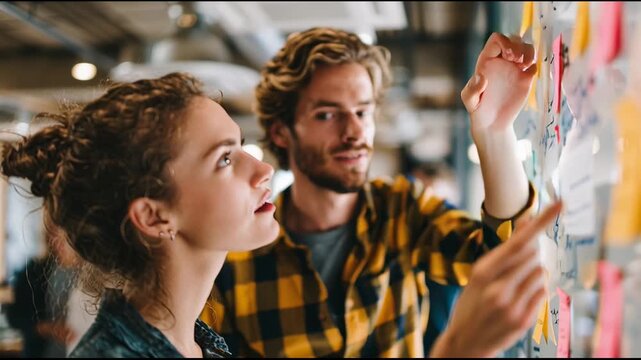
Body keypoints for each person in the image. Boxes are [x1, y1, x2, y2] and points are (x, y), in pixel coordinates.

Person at [201, 27, 560, 358]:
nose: (354, 131)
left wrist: (494, 131)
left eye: (363, 111)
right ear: (281, 132)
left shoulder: (402, 209)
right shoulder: (236, 255)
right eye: (328, 115)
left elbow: (500, 258)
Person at [1, 72, 279, 357]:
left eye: (240, 147)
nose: (264, 170)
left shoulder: (197, 346)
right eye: (225, 159)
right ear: (153, 216)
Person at [6, 223, 77, 358]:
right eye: (55, 234)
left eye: (66, 237)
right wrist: (44, 328)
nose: (58, 242)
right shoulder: (33, 271)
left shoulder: (93, 278)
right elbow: (14, 316)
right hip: (40, 353)